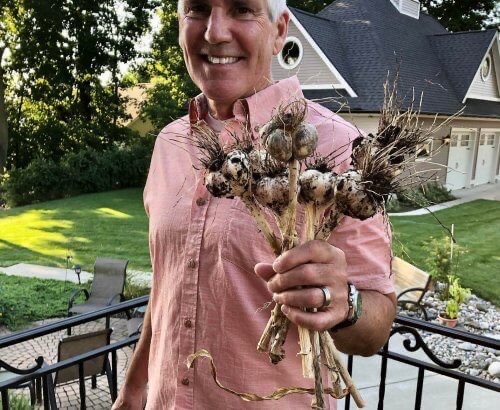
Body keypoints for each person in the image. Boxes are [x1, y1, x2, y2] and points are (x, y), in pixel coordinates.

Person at [112, 0, 396, 409]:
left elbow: (377, 327)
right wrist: (133, 389)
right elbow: (165, 289)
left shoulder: (339, 147)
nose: (215, 32)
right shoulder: (168, 144)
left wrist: (344, 302)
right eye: (197, 9)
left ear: (279, 31)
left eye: (243, 9)